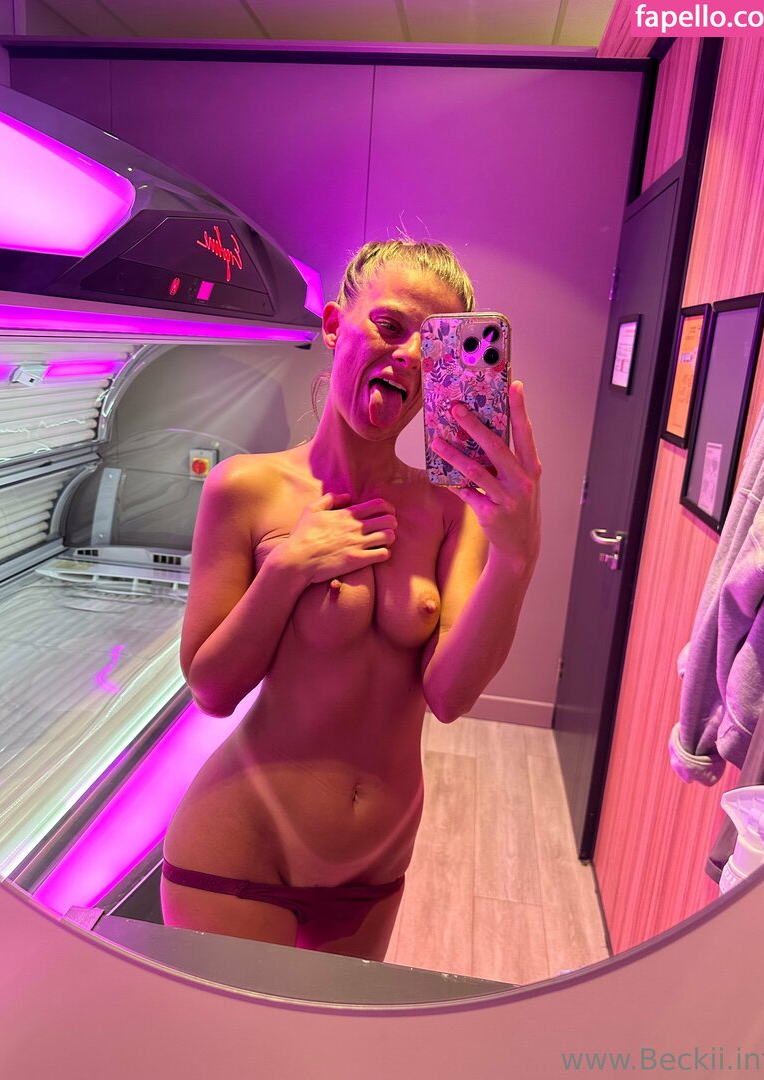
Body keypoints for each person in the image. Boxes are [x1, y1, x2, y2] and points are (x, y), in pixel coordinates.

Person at [161, 239, 541, 961]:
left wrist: (517, 556)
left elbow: (449, 695)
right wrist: (288, 570)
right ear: (336, 325)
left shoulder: (452, 511)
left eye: (433, 344)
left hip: (376, 867)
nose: (408, 356)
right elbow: (212, 689)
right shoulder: (245, 488)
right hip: (238, 853)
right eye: (390, 326)